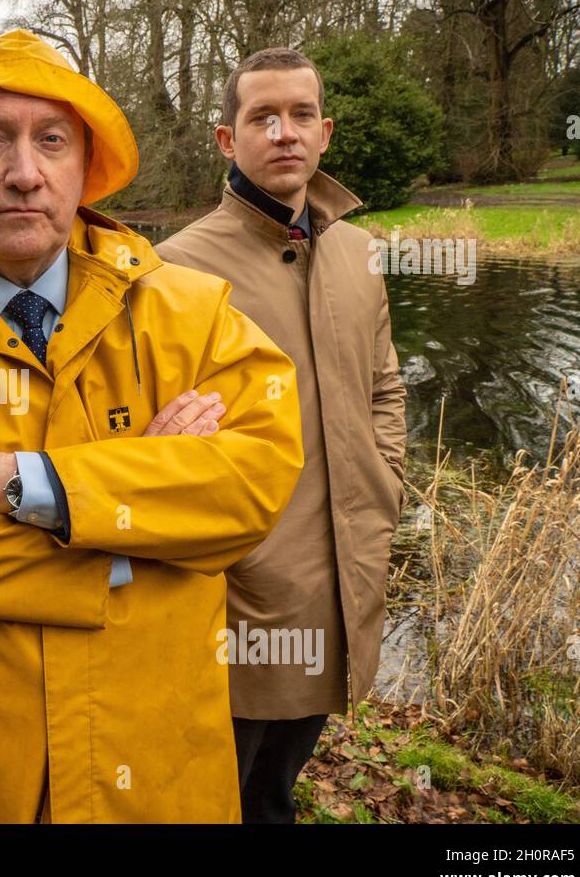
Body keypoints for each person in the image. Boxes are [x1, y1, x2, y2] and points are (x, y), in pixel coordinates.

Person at [0, 30, 305, 823]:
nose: (24, 173)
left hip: (147, 760)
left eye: (51, 142)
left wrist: (23, 484)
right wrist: (128, 539)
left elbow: (253, 485)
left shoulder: (190, 312)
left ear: (85, 167)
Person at [156, 48, 408, 823]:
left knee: (280, 784)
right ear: (228, 140)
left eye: (301, 115)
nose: (285, 132)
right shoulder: (176, 270)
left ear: (325, 132)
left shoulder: (360, 252)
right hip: (244, 591)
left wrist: (383, 485)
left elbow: (385, 387)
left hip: (346, 570)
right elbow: (158, 446)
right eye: (262, 116)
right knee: (210, 789)